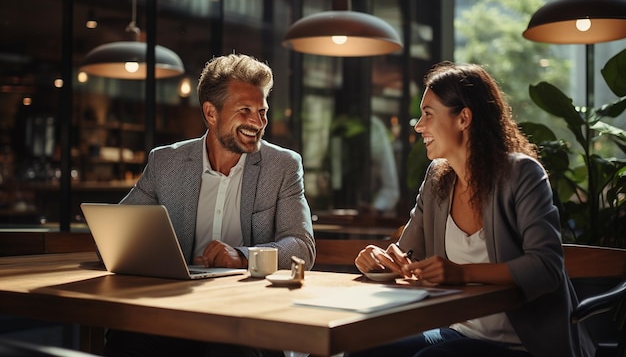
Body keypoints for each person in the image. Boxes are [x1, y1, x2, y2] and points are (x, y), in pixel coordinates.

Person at [347, 61, 594, 357]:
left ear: (463, 118)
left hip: (525, 344)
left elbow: (546, 267)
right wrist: (381, 259)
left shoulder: (521, 174)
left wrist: (460, 274)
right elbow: (408, 254)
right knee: (364, 345)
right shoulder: (438, 177)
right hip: (456, 332)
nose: (418, 125)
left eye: (428, 114)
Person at [103, 53, 316, 357]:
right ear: (211, 113)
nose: (258, 122)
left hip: (248, 314)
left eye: (262, 111)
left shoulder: (282, 165)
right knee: (126, 336)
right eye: (245, 110)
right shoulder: (166, 162)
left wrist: (243, 257)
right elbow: (117, 232)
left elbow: (301, 246)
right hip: (175, 308)